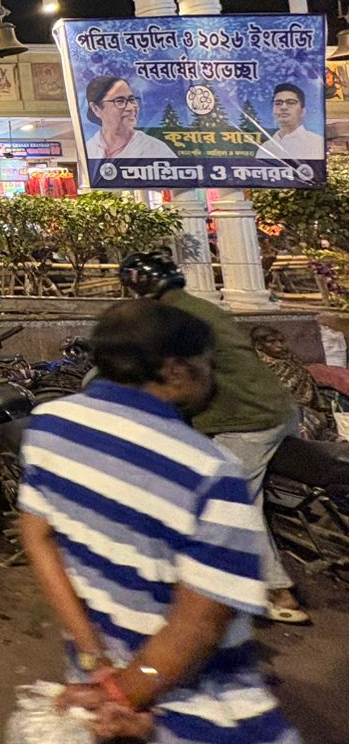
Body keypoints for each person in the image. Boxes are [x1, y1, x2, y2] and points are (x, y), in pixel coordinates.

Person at [17, 300, 299, 744]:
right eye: (207, 363)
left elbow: (37, 537)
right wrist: (122, 694)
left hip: (95, 680)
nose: (212, 375)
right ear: (175, 370)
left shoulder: (49, 424)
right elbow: (199, 626)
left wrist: (93, 658)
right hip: (191, 712)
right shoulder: (209, 470)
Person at [119, 252, 306, 624]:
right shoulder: (197, 307)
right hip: (277, 407)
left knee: (227, 502)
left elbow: (176, 380)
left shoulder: (168, 321)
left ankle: (276, 590)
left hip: (248, 420)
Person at [81, 75, 177, 161]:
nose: (131, 108)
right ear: (96, 109)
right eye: (120, 101)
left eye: (132, 100)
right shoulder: (87, 150)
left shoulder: (156, 149)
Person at [255, 82, 323, 161]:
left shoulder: (316, 143)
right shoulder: (265, 147)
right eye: (278, 103)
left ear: (303, 111)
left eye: (291, 102)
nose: (283, 107)